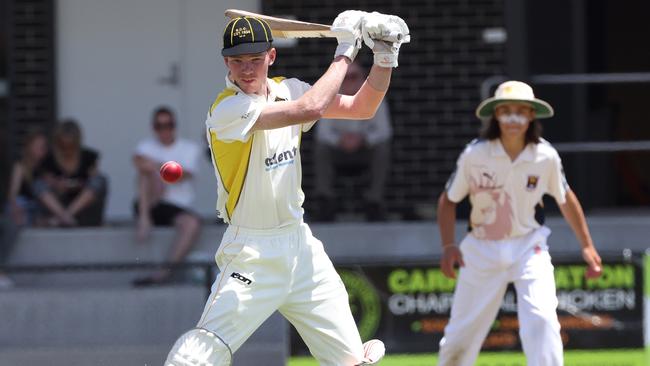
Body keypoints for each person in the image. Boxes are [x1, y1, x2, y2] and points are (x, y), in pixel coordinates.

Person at [165, 11, 409, 366]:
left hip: (301, 248)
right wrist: (346, 49)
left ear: (271, 56)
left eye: (255, 59)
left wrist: (385, 56)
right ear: (225, 63)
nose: (246, 70)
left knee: (352, 361)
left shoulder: (289, 89)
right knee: (196, 357)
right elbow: (308, 108)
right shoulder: (226, 110)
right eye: (237, 61)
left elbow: (362, 108)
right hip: (251, 252)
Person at [435, 81, 603, 366]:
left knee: (542, 318)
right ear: (496, 115)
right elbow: (448, 200)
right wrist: (449, 245)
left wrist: (587, 245)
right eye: (506, 111)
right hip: (480, 248)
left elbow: (565, 198)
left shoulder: (545, 155)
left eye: (521, 112)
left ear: (531, 116)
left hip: (529, 246)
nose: (514, 119)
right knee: (460, 336)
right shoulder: (475, 154)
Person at [313, 61, 392, 221]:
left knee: (383, 149)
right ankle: (325, 201)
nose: (349, 80)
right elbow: (322, 133)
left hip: (365, 151)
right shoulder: (331, 98)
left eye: (354, 76)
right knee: (321, 149)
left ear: (363, 78)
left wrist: (363, 139)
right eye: (345, 77)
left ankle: (374, 201)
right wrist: (340, 140)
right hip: (338, 152)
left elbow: (385, 131)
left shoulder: (376, 98)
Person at [133, 106, 202, 285]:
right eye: (159, 126)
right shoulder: (145, 145)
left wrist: (156, 169)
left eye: (168, 125)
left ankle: (164, 273)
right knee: (146, 174)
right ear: (153, 127)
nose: (164, 130)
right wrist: (158, 174)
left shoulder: (189, 148)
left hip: (176, 206)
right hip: (150, 205)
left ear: (175, 126)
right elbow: (138, 162)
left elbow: (182, 176)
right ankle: (144, 219)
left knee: (192, 224)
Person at [34, 119, 107, 227]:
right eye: (63, 146)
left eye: (71, 146)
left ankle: (64, 216)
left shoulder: (89, 157)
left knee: (100, 180)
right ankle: (64, 216)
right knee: (38, 184)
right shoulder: (48, 159)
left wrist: (80, 185)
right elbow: (44, 183)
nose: (67, 150)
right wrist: (55, 184)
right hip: (58, 204)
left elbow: (94, 181)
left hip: (83, 207)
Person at [7, 129, 49, 226]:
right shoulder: (21, 166)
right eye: (38, 147)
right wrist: (15, 207)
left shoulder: (46, 166)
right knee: (19, 205)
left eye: (43, 147)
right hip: (24, 205)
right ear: (29, 147)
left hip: (38, 206)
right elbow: (13, 193)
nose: (42, 150)